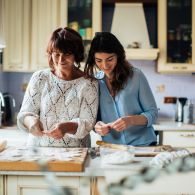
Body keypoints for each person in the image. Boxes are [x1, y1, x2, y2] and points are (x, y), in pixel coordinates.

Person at [17, 27, 98, 147]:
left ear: (76, 54)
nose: (61, 60)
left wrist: (66, 127)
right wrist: (31, 122)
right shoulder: (39, 78)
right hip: (39, 151)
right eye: (57, 54)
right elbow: (25, 114)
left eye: (67, 54)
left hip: (75, 154)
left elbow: (88, 123)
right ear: (51, 54)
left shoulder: (89, 83)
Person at [84, 32, 158, 146]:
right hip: (112, 148)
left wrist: (131, 120)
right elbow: (95, 119)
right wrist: (98, 127)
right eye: (99, 60)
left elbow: (153, 114)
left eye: (109, 59)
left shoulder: (136, 76)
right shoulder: (94, 82)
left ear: (118, 55)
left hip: (143, 145)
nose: (105, 65)